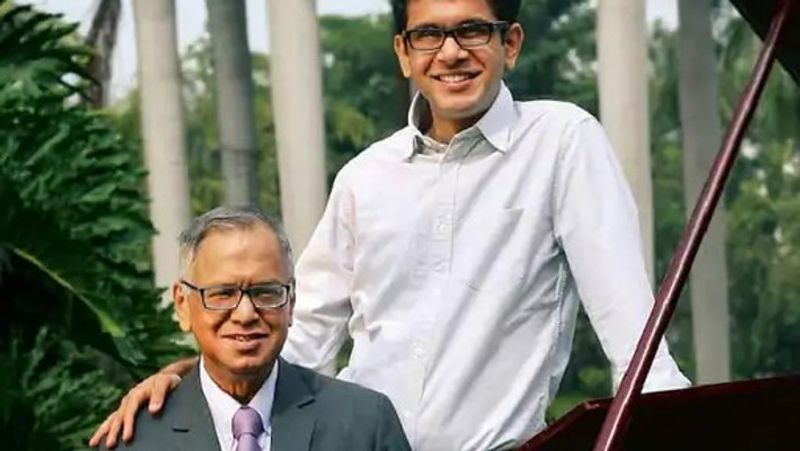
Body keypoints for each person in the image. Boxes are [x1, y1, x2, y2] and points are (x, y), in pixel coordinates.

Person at [91, 1, 690, 449]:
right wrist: (190, 383)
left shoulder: (561, 142)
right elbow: (301, 329)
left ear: (510, 43)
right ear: (404, 52)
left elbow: (632, 330)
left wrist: (683, 430)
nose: (450, 53)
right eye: (428, 34)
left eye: (472, 30)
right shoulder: (365, 176)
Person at [97, 207, 410, 450]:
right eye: (223, 294)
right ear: (182, 304)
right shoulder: (135, 440)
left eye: (265, 293)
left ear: (291, 302)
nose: (245, 314)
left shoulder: (364, 425)